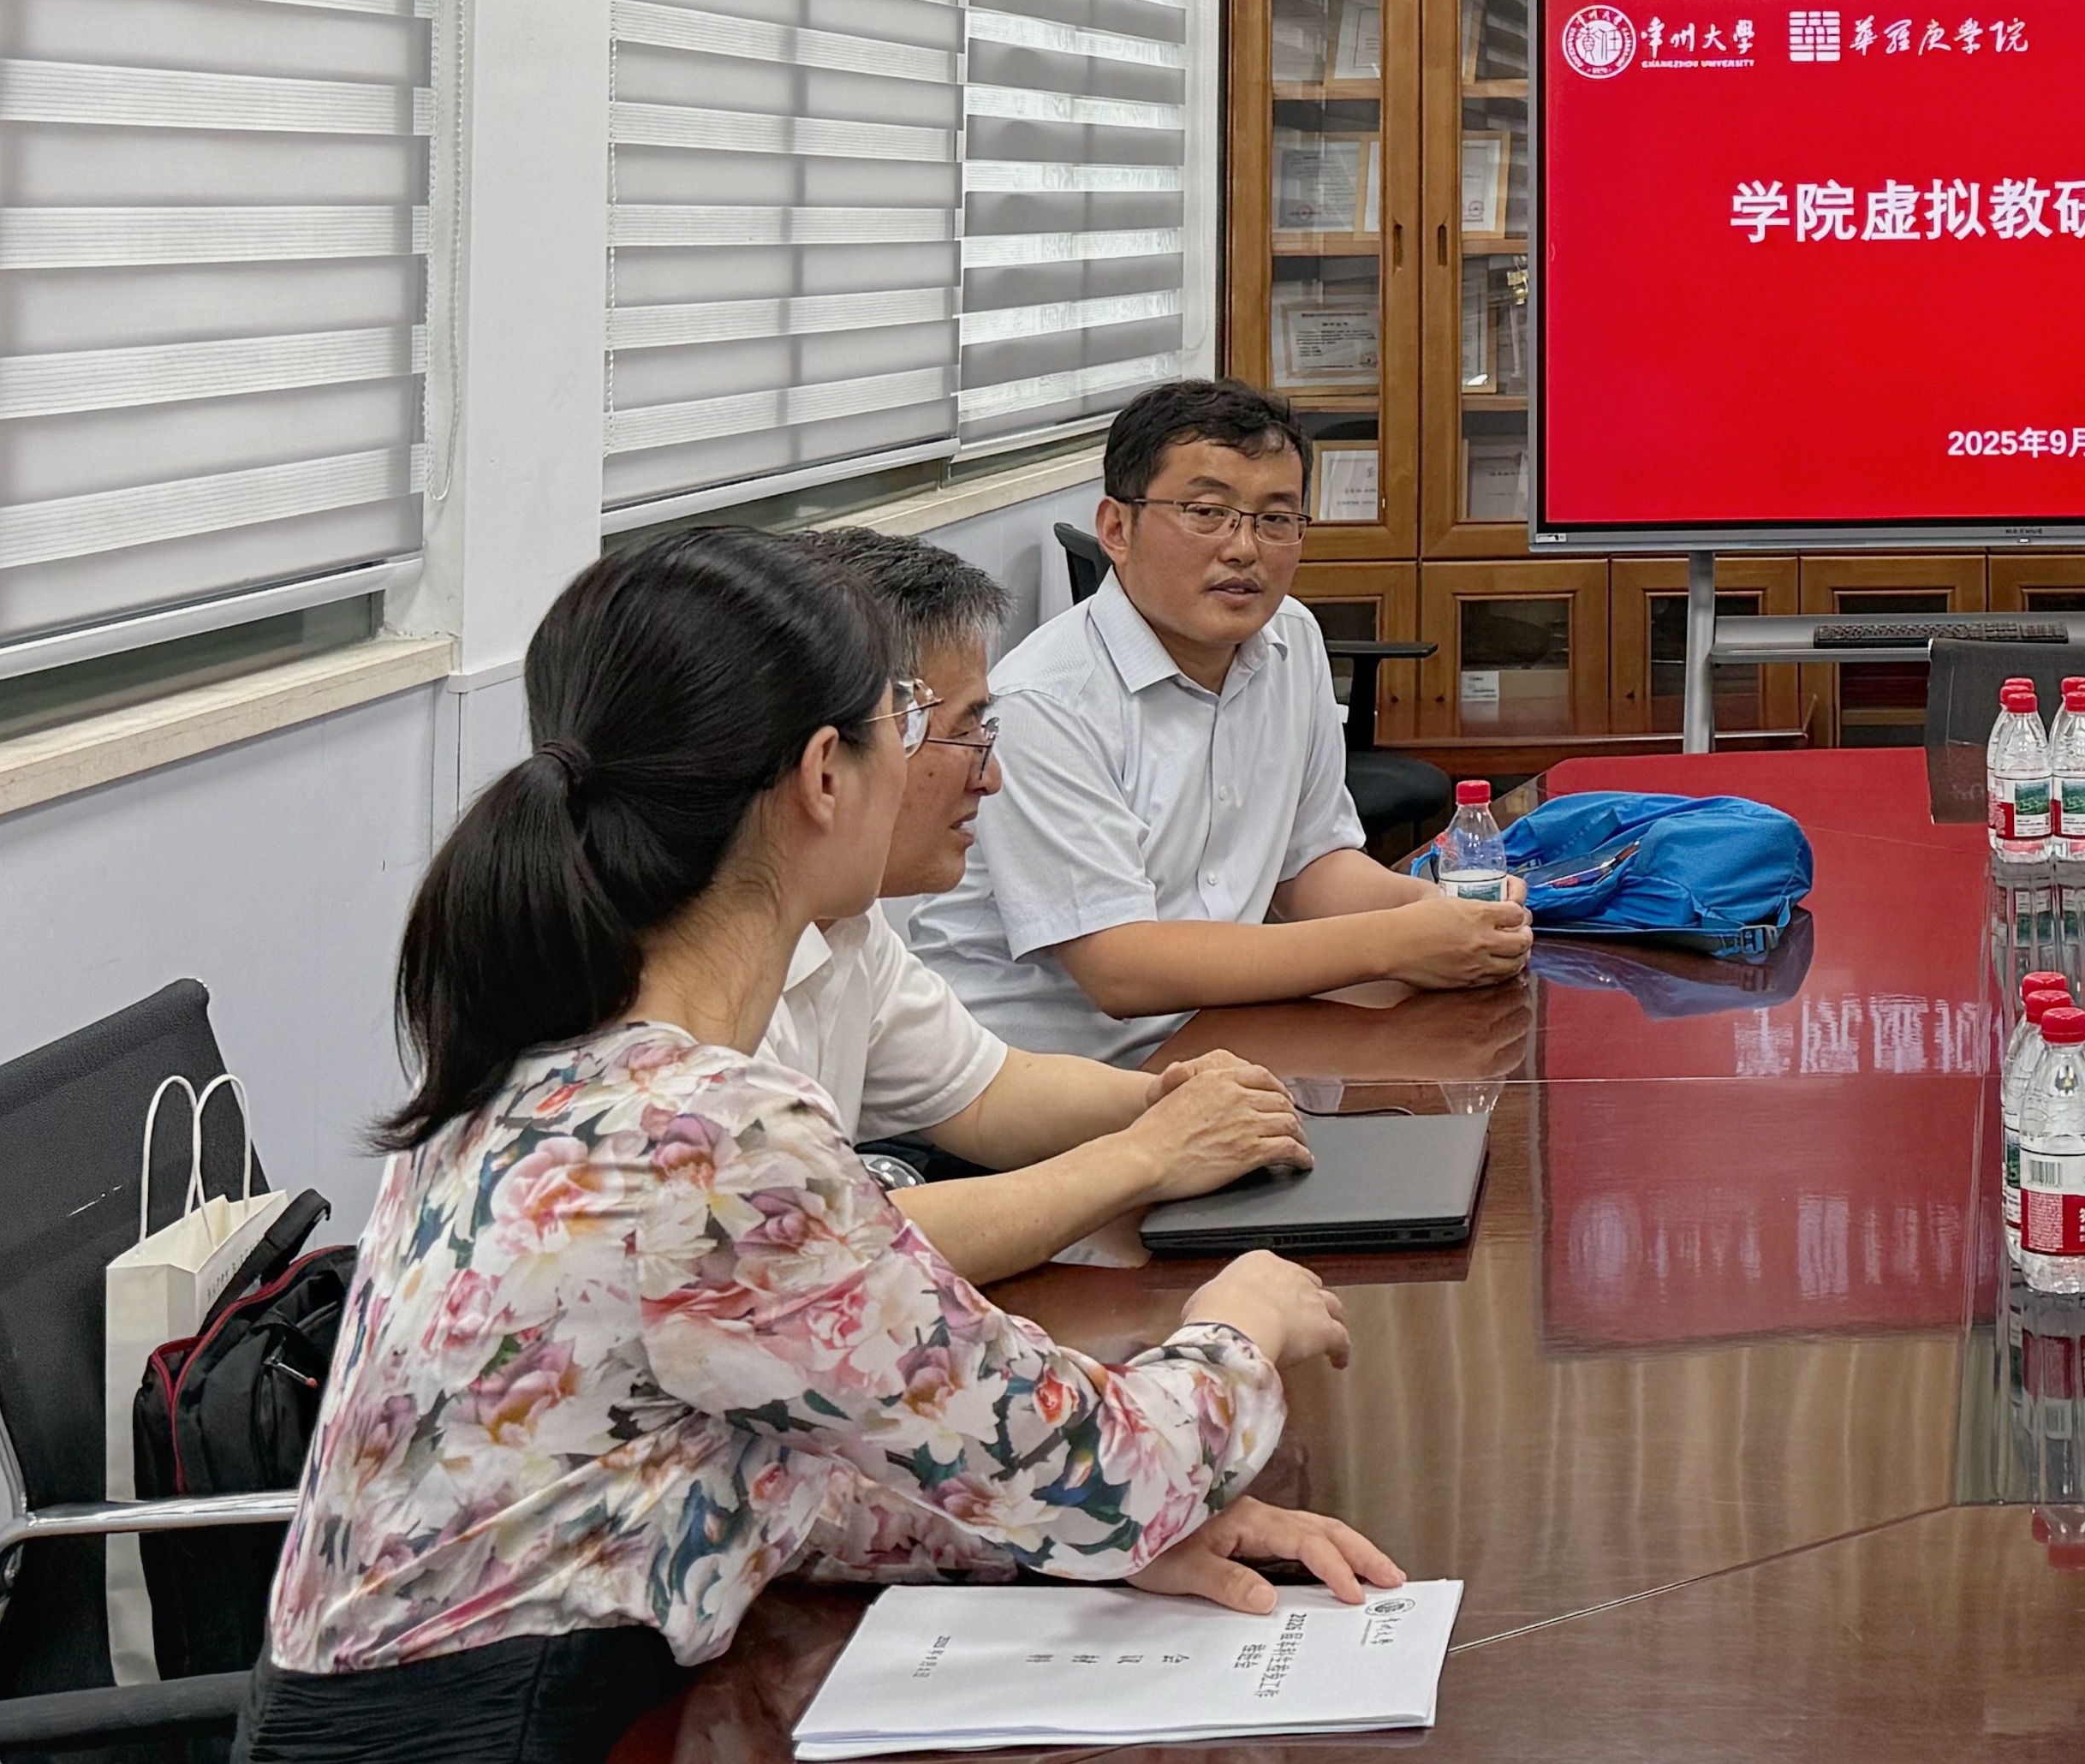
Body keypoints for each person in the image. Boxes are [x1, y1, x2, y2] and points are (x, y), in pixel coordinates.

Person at [252, 531, 1391, 1764]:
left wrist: (1046, 1533)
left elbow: (739, 1477)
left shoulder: (533, 1051)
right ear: (823, 777)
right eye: (906, 721)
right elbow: (1110, 1472)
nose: (955, 764)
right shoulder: (709, 1134)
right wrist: (1239, 1324)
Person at [913, 379, 1528, 1064]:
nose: (1244, 548)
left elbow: (1308, 866)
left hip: (1226, 1038)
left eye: (1276, 519)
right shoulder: (1044, 703)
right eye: (1207, 512)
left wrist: (1447, 908)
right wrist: (1397, 942)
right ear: (1116, 529)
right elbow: (1120, 967)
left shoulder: (1293, 639)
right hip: (1052, 1079)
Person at [761, 529, 1315, 1282]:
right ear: (833, 762)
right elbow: (827, 1247)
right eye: (965, 731)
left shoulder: (846, 922)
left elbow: (986, 1092)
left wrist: (1173, 1097)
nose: (990, 778)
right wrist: (1149, 1153)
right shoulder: (704, 983)